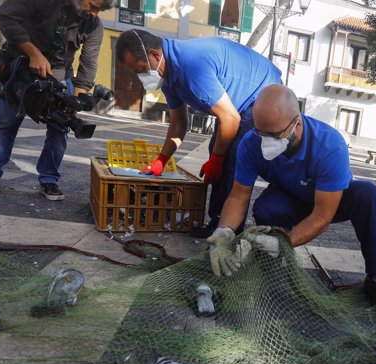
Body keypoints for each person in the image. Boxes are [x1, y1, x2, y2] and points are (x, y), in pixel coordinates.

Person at [206, 84, 376, 306]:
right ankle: (271, 263)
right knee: (267, 208)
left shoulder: (329, 146)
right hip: (289, 196)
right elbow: (238, 196)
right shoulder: (251, 143)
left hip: (327, 199)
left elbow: (322, 216)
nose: (266, 142)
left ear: (297, 123)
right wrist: (224, 231)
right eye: (261, 133)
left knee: (368, 195)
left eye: (274, 135)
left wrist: (287, 242)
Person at [115, 29, 282, 236]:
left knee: (234, 155)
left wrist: (217, 160)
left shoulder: (190, 66)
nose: (140, 77)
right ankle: (218, 221)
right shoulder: (168, 77)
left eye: (140, 69)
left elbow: (230, 119)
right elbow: (178, 124)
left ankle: (228, 230)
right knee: (217, 147)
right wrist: (161, 160)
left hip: (262, 93)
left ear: (154, 54)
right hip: (237, 105)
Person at [0, 0, 113, 200]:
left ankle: (49, 179)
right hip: (20, 66)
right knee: (6, 122)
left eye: (99, 10)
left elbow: (89, 60)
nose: (94, 13)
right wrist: (34, 53)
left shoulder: (94, 24)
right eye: (92, 6)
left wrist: (77, 96)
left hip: (59, 74)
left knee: (61, 128)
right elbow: (4, 15)